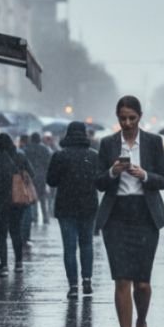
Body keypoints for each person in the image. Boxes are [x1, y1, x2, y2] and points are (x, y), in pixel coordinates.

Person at [96, 95, 164, 327]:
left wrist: (145, 175)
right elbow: (99, 182)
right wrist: (113, 172)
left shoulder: (153, 142)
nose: (127, 123)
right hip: (116, 216)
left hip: (145, 215)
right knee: (122, 280)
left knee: (143, 283)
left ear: (140, 117)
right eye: (122, 118)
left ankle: (141, 321)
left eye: (132, 118)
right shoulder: (107, 144)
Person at [46, 121, 99, 298]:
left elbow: (51, 181)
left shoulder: (60, 156)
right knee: (87, 244)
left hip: (66, 206)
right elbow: (99, 181)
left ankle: (73, 285)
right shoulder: (93, 156)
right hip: (88, 206)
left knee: (69, 247)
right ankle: (87, 280)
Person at [0, 133, 34, 275]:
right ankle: (19, 263)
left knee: (1, 234)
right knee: (16, 231)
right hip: (18, 200)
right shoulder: (20, 156)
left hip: (0, 201)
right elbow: (32, 173)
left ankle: (4, 266)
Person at [24, 132, 53, 225]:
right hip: (42, 176)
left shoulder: (27, 149)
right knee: (42, 197)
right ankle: (45, 217)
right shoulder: (45, 149)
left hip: (30, 176)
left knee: (32, 196)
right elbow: (48, 163)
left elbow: (24, 163)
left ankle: (34, 217)